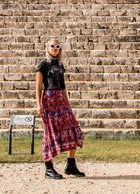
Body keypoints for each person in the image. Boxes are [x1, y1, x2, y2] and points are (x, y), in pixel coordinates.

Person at [35, 38, 85, 179]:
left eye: (58, 46)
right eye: (52, 46)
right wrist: (39, 105)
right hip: (49, 100)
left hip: (61, 100)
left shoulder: (60, 65)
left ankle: (70, 165)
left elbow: (63, 87)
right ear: (47, 47)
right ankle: (49, 168)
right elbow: (38, 87)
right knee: (50, 133)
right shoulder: (42, 65)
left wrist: (67, 103)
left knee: (73, 129)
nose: (55, 48)